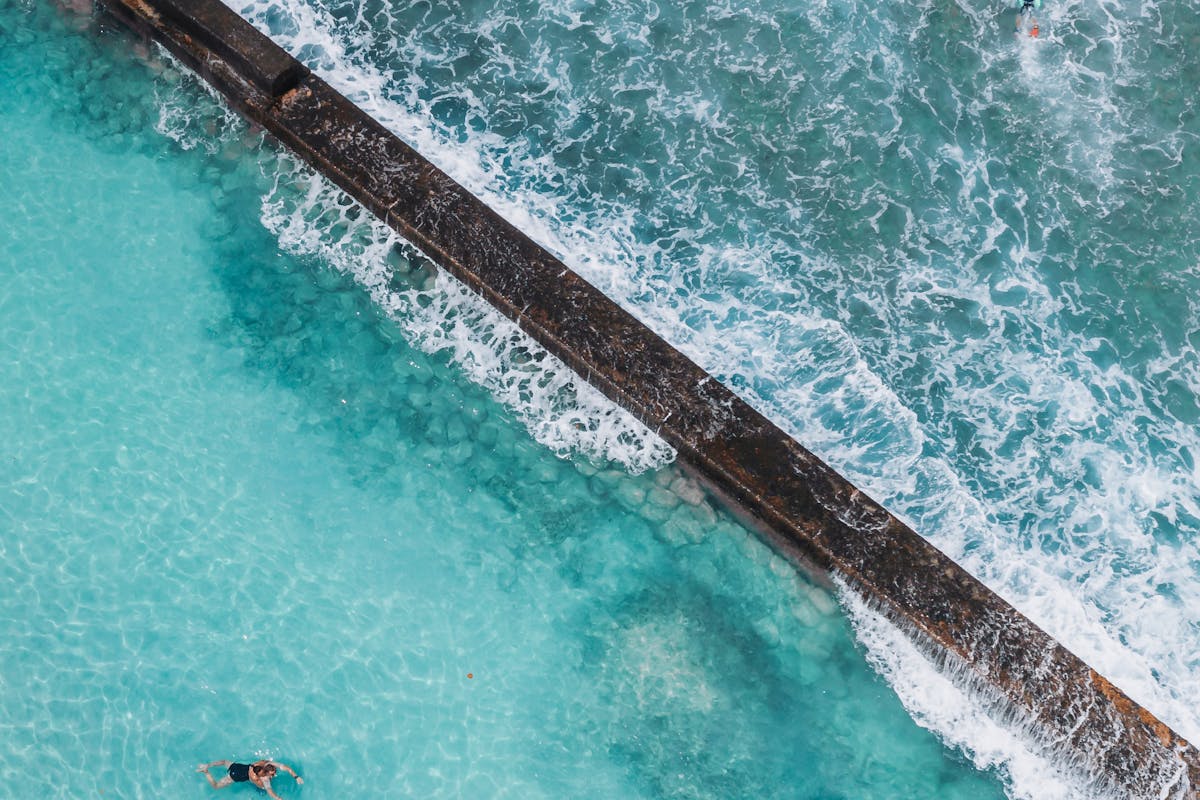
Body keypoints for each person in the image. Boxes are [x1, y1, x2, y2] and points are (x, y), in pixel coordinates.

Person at [196, 759, 303, 799]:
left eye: (274, 771)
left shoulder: (264, 763)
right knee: (216, 786)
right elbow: (270, 792)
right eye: (273, 773)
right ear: (265, 774)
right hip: (237, 776)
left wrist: (296, 777)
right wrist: (278, 799)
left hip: (238, 767)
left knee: (225, 762)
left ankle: (207, 765)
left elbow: (286, 767)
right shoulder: (263, 779)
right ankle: (206, 772)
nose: (275, 773)